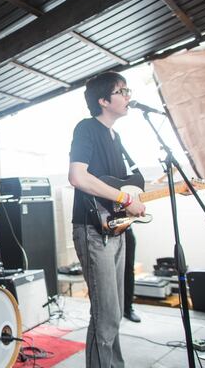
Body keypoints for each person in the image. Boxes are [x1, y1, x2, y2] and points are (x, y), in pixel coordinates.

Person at [68, 72, 146, 368]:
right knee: (108, 313)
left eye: (128, 90)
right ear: (103, 100)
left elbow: (124, 185)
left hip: (117, 230)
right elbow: (78, 177)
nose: (128, 95)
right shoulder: (87, 129)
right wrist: (125, 200)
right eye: (121, 91)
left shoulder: (117, 137)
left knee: (109, 313)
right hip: (92, 230)